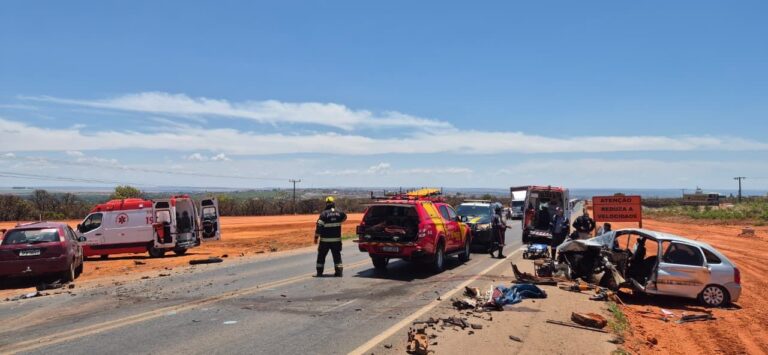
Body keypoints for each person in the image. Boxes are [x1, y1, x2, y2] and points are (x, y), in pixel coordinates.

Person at [315, 196, 347, 277]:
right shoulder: (339, 213)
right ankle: (339, 272)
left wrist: (316, 237)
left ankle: (319, 272)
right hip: (336, 241)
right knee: (337, 256)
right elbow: (345, 217)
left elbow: (319, 226)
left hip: (324, 241)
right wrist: (338, 220)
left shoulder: (323, 214)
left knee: (321, 256)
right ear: (333, 204)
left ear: (326, 204)